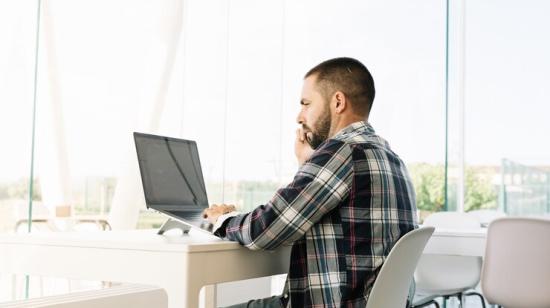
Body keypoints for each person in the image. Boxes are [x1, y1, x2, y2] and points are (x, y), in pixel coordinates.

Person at [203, 57, 418, 308]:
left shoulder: (343, 151)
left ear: (337, 102)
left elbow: (266, 230)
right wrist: (308, 164)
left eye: (306, 103)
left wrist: (221, 219)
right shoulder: (391, 157)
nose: (299, 116)